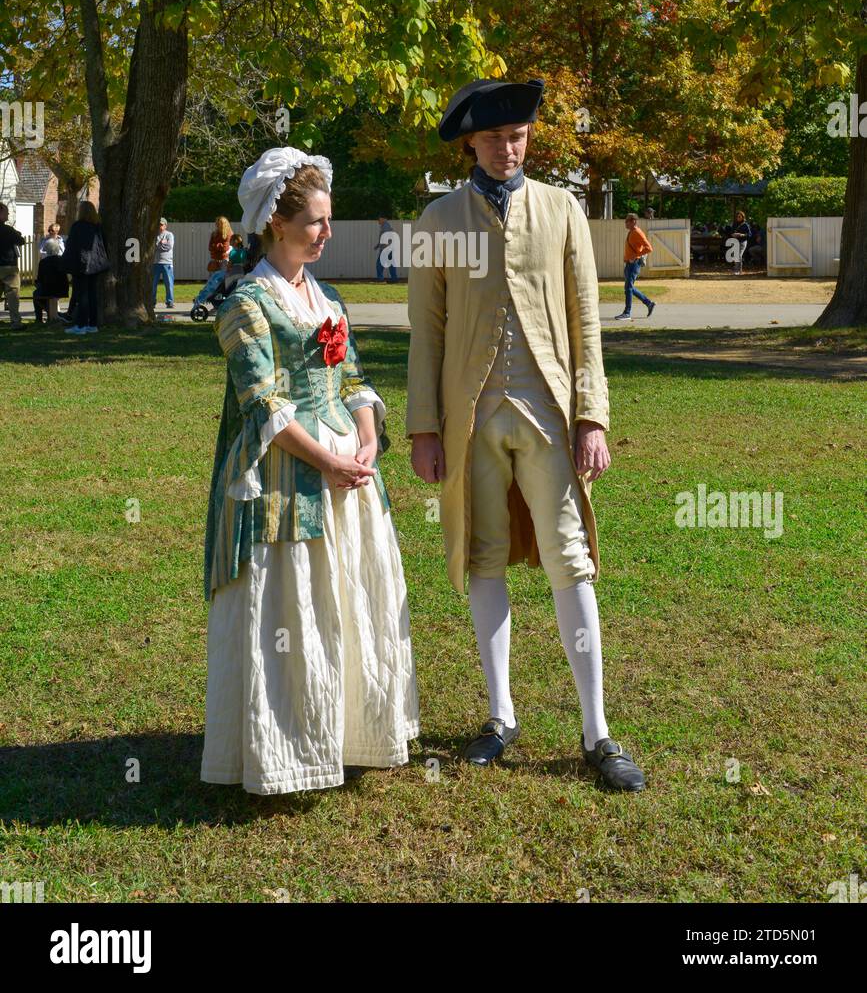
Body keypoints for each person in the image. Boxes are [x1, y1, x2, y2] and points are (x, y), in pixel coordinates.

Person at [407, 77, 645, 792]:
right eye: (493, 138)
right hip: (470, 418)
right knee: (481, 557)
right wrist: (424, 427)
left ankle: (596, 730)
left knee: (569, 557)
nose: (507, 149)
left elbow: (585, 319)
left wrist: (593, 414)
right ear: (470, 144)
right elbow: (428, 333)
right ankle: (500, 716)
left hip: (548, 414)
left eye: (517, 138)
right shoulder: (437, 220)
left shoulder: (563, 208)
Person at [201, 146, 419, 795]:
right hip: (283, 472)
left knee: (349, 601)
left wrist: (369, 440)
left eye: (329, 220)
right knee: (294, 607)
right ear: (275, 222)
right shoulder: (246, 304)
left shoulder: (324, 295)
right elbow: (262, 403)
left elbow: (351, 374)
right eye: (315, 222)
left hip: (347, 467)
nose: (326, 233)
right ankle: (288, 747)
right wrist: (326, 460)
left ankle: (348, 730)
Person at [63, 200, 108, 335]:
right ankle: (92, 324)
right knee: (92, 294)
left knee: (82, 295)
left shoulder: (77, 226)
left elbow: (71, 246)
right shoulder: (97, 226)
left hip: (81, 265)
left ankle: (81, 325)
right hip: (95, 265)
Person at [615, 213, 656, 320]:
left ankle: (627, 313)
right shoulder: (632, 232)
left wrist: (636, 256)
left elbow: (649, 248)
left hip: (634, 264)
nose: (625, 223)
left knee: (628, 288)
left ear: (633, 221)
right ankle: (649, 303)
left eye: (627, 221)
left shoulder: (637, 232)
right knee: (629, 288)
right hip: (629, 263)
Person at [0, 201, 25, 329]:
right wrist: (18, 234)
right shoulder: (8, 230)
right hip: (8, 266)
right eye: (6, 212)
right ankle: (15, 322)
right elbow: (21, 241)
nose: (8, 214)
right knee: (13, 295)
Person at [32, 237, 69, 323]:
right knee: (43, 295)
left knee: (36, 294)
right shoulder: (62, 260)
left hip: (48, 289)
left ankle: (39, 318)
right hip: (63, 289)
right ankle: (54, 315)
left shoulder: (43, 262)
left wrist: (38, 284)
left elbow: (40, 279)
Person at [152, 217, 175, 308]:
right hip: (155, 263)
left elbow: (169, 247)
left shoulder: (169, 235)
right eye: (159, 224)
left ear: (165, 225)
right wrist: (161, 243)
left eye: (161, 225)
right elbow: (153, 247)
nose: (160, 226)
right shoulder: (154, 235)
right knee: (153, 284)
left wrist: (159, 245)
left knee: (169, 284)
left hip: (167, 263)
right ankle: (152, 302)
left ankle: (169, 302)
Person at [374, 216, 399, 283]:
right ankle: (394, 278)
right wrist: (377, 246)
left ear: (382, 219)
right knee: (391, 264)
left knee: (379, 264)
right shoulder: (385, 226)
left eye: (378, 219)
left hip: (386, 248)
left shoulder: (385, 226)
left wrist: (386, 246)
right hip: (388, 248)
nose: (378, 221)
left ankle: (380, 278)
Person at [729, 210, 751, 275]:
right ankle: (738, 270)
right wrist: (733, 235)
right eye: (737, 217)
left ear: (742, 217)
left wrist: (742, 235)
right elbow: (731, 233)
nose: (738, 218)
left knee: (739, 255)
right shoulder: (734, 224)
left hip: (742, 242)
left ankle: (738, 270)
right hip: (735, 242)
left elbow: (749, 234)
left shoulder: (746, 225)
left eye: (739, 216)